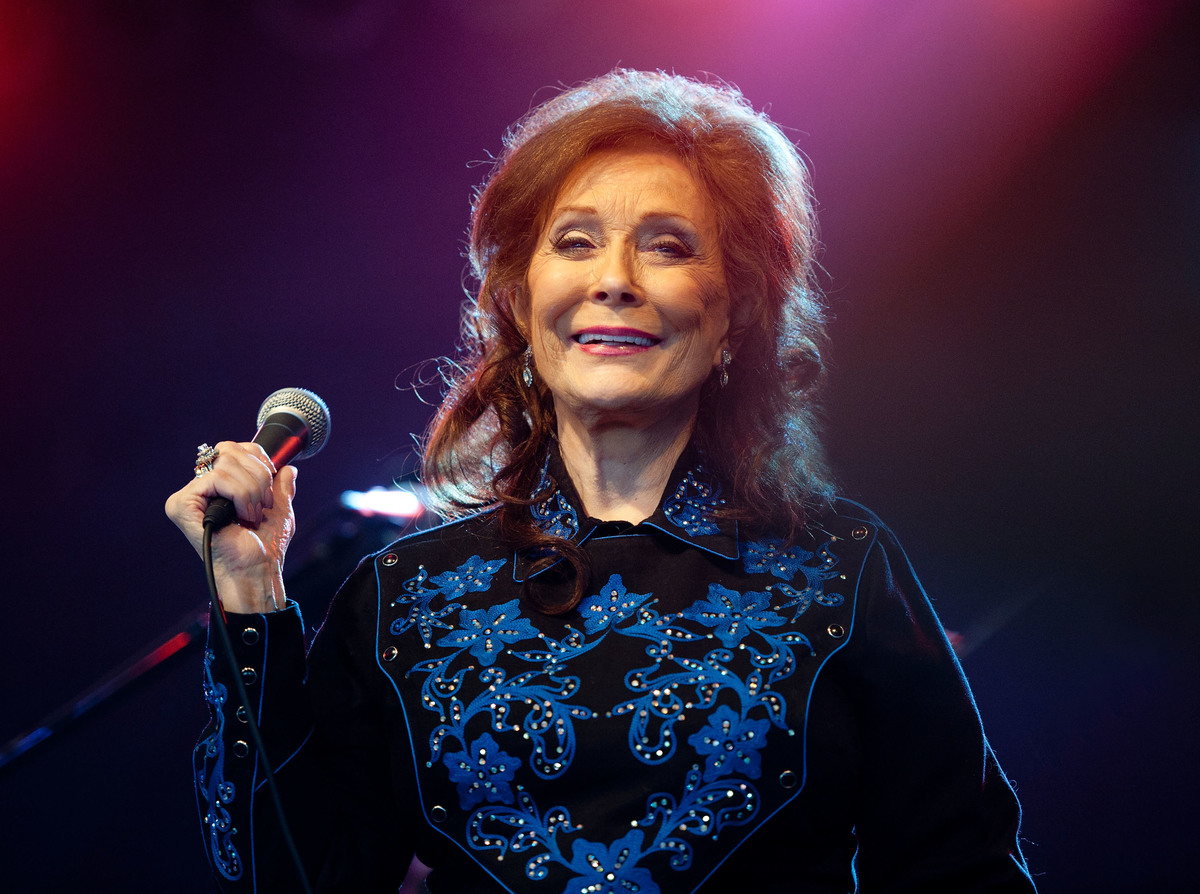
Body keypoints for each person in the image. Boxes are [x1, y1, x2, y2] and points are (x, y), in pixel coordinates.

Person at [167, 70, 1037, 893]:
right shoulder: (403, 597)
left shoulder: (840, 571)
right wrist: (250, 601)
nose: (614, 281)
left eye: (666, 246)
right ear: (518, 299)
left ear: (735, 314)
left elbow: (963, 874)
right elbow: (292, 877)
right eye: (576, 242)